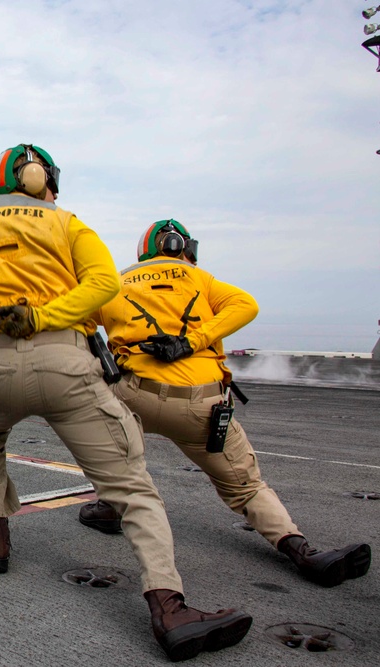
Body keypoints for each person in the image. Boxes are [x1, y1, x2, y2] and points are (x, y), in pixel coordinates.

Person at [0, 145, 252, 662]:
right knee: (133, 489)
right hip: (65, 365)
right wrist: (44, 317)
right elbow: (103, 285)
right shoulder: (68, 223)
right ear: (36, 177)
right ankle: (168, 606)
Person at [79, 219, 372, 588]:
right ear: (178, 246)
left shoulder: (117, 281)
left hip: (136, 392)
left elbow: (82, 324)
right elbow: (245, 305)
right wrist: (192, 341)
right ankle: (302, 551)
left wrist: (107, 363)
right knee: (246, 487)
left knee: (105, 441)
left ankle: (110, 506)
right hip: (201, 403)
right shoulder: (198, 278)